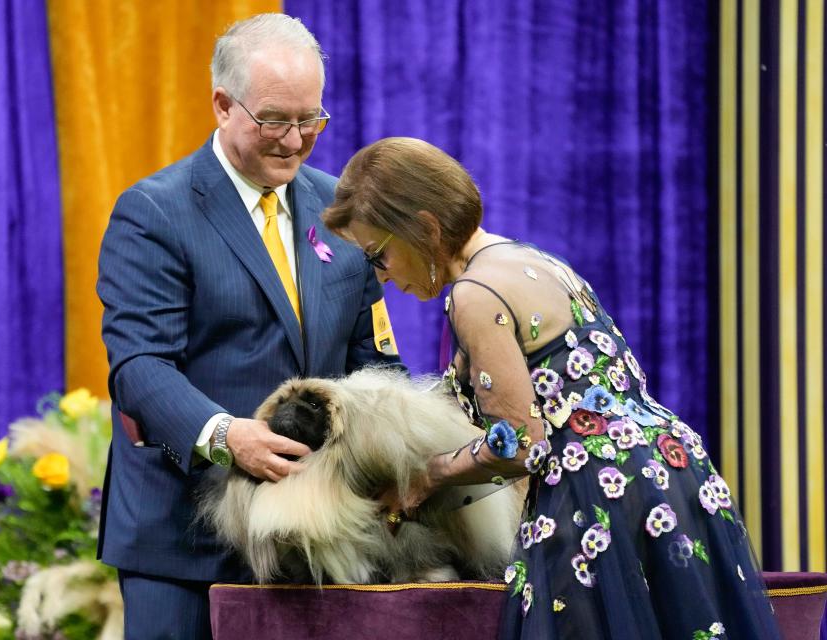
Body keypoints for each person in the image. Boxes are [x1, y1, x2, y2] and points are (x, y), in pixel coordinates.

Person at [322, 137, 781, 639]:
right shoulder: (529, 259)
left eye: (378, 256)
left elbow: (520, 444)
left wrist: (424, 479)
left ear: (425, 228)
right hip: (672, 472)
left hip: (599, 493)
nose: (382, 278)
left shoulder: (474, 295)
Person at [96, 14, 402, 640]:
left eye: (310, 119)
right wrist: (229, 436)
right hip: (184, 539)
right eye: (274, 120)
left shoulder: (339, 208)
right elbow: (140, 368)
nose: (294, 141)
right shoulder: (154, 212)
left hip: (316, 540)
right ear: (222, 105)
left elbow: (375, 362)